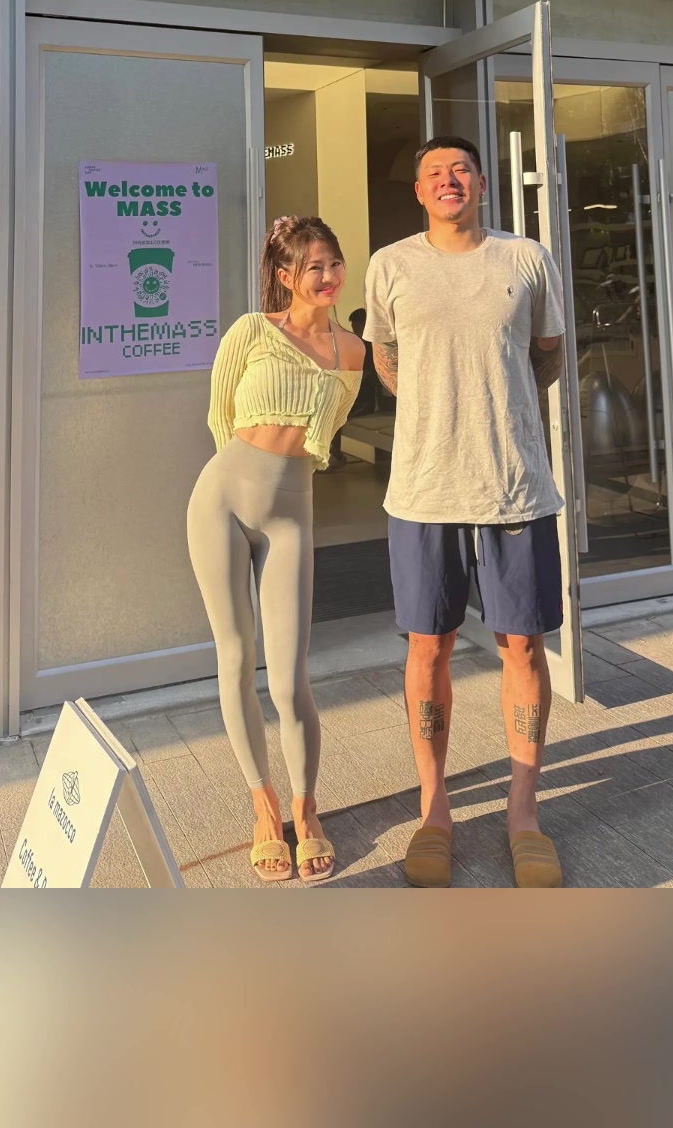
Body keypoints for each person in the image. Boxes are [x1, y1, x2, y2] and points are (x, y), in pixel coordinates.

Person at [364, 135, 567, 890]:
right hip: (423, 486)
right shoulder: (391, 265)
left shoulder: (526, 259)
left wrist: (500, 407)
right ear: (419, 191)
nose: (448, 180)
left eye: (460, 170)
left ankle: (523, 812)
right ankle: (435, 810)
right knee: (428, 648)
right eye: (434, 173)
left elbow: (547, 352)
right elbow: (386, 358)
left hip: (513, 482)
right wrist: (437, 404)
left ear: (481, 183)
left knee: (523, 646)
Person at [187, 215, 364, 884]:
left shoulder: (353, 352)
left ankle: (305, 807)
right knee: (236, 657)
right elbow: (219, 417)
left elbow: (325, 435)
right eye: (313, 266)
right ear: (286, 276)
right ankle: (263, 806)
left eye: (334, 262)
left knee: (290, 680)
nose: (328, 276)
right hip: (221, 499)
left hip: (292, 514)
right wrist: (243, 482)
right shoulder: (252, 331)